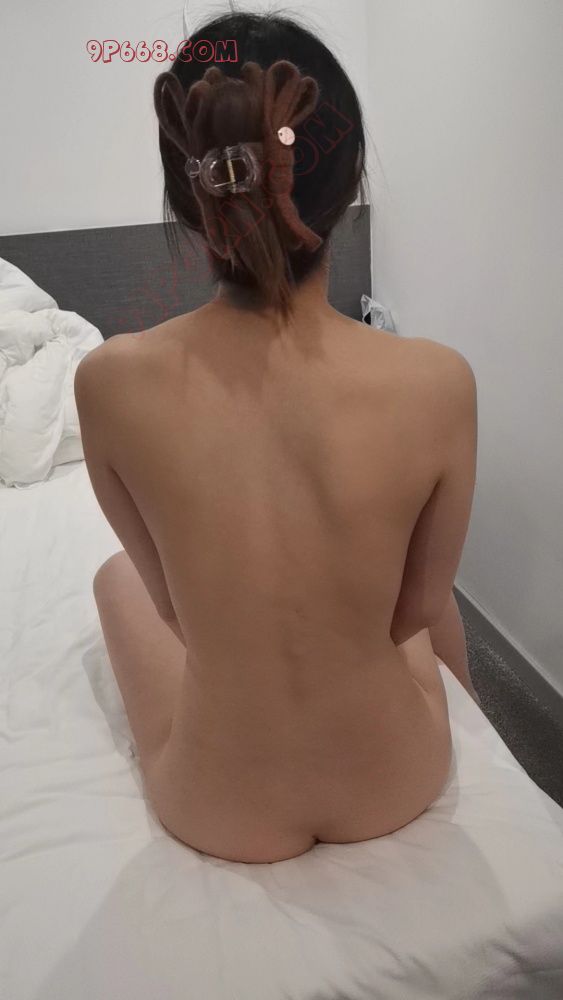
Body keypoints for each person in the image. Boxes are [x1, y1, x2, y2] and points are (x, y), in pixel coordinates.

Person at [74, 8, 479, 864]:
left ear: (188, 192)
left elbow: (175, 613)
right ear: (349, 177)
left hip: (219, 810)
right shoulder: (438, 381)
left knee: (116, 581)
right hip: (394, 779)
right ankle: (481, 726)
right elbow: (413, 613)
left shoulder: (107, 382)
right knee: (424, 587)